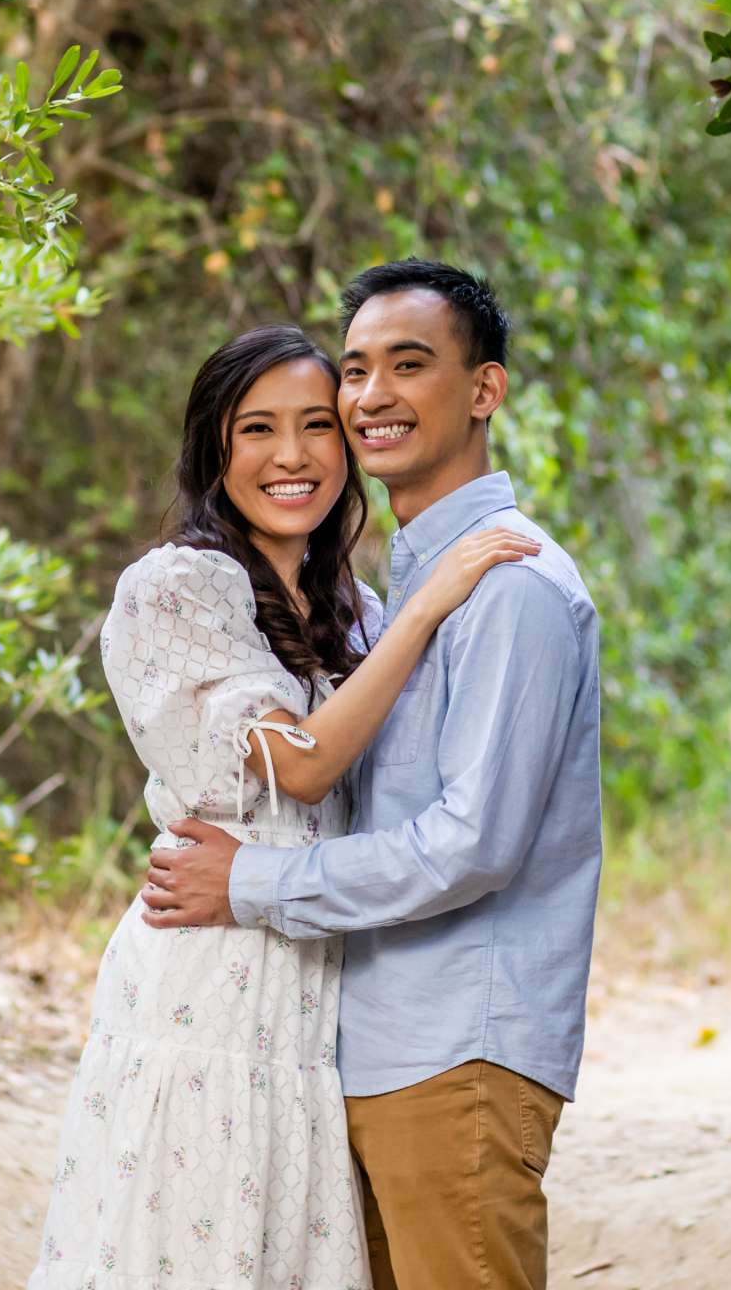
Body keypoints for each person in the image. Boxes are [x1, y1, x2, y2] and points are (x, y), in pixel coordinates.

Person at [27, 321, 538, 1290]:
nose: (293, 456)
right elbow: (299, 766)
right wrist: (430, 605)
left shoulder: (349, 607)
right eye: (258, 428)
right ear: (214, 446)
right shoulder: (176, 588)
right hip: (202, 1000)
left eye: (316, 426)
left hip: (307, 1012)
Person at [145, 262, 603, 1290]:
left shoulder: (510, 588)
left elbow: (473, 842)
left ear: (483, 388)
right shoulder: (388, 598)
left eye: (409, 365)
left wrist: (249, 886)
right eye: (355, 371)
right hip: (373, 1049)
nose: (371, 397)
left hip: (456, 1054)